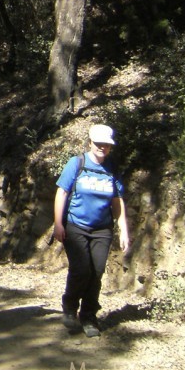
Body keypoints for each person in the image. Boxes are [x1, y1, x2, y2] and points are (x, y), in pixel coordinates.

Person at [52, 123, 131, 338]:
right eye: (98, 144)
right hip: (75, 225)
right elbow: (62, 193)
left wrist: (123, 230)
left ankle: (88, 316)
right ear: (90, 143)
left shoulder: (112, 169)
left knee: (96, 272)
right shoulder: (76, 163)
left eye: (106, 145)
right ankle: (69, 307)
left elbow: (117, 201)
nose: (102, 148)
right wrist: (58, 223)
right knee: (81, 269)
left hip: (102, 229)